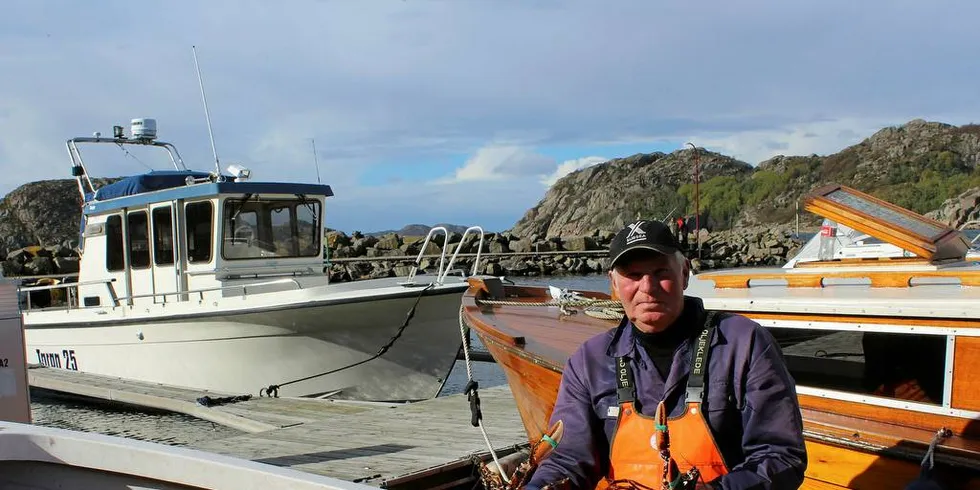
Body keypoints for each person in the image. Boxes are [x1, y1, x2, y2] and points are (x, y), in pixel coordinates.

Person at [526, 219, 807, 490]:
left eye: (661, 272)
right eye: (633, 276)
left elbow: (780, 455)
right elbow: (567, 460)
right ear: (613, 284)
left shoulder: (745, 343)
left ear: (684, 273)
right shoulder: (589, 361)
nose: (647, 288)